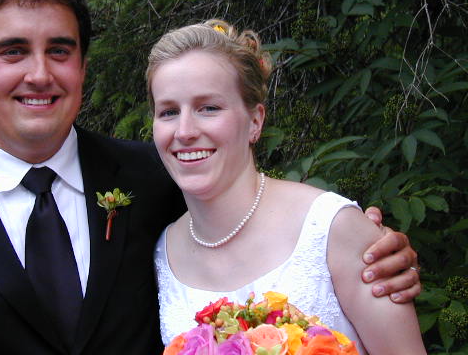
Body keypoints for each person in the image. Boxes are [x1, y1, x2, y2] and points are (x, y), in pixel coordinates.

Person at [0, 0, 419, 355]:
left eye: (60, 51)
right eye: (13, 52)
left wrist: (367, 244)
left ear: (82, 68)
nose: (40, 73)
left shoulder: (158, 182)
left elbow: (261, 220)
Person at [147, 20, 426, 354]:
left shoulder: (333, 229)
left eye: (209, 108)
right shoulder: (162, 252)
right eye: (169, 112)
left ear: (255, 121)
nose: (185, 131)